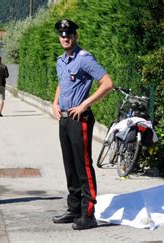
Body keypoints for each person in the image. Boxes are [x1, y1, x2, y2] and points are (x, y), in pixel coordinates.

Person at [51, 19, 114, 230]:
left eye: (68, 34)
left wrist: (85, 105)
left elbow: (107, 83)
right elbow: (63, 82)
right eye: (62, 34)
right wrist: (55, 102)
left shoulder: (84, 58)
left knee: (83, 166)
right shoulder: (61, 60)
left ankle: (88, 214)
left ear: (75, 36)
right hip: (65, 119)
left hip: (80, 120)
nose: (65, 37)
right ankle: (74, 208)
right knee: (70, 166)